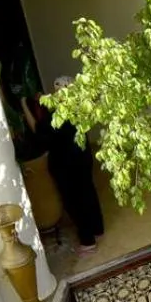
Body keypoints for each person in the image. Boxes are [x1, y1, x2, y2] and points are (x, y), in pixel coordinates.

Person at [23, 78, 105, 255]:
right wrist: (43, 101)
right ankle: (97, 230)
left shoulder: (55, 118)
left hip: (66, 166)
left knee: (75, 202)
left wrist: (24, 105)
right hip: (82, 158)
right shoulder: (80, 108)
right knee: (88, 192)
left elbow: (38, 132)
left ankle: (88, 241)